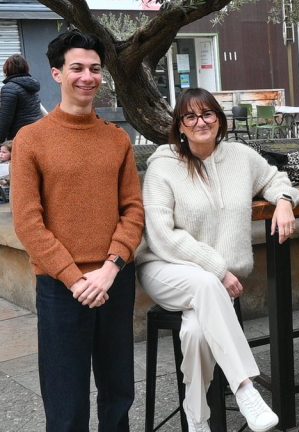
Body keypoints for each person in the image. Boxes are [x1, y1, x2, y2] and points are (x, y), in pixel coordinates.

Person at [137, 88, 297, 432]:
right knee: (207, 283)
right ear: (180, 126)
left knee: (195, 331)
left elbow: (275, 177)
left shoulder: (239, 156)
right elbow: (161, 235)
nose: (200, 122)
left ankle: (197, 422)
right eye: (191, 116)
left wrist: (284, 201)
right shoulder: (163, 169)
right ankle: (244, 388)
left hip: (211, 284)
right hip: (164, 268)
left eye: (208, 114)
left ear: (219, 120)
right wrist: (219, 269)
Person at [11, 30, 144, 431]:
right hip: (60, 287)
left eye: (95, 69)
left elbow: (133, 211)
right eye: (77, 68)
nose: (87, 77)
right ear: (56, 74)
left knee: (119, 392)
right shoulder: (31, 140)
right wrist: (74, 278)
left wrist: (110, 268)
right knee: (66, 400)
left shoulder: (117, 139)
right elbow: (28, 223)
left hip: (114, 281)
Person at [0, 54, 44, 141]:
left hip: (21, 137)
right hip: (38, 132)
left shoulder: (9, 88)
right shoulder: (31, 84)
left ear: (7, 70)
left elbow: (5, 120)